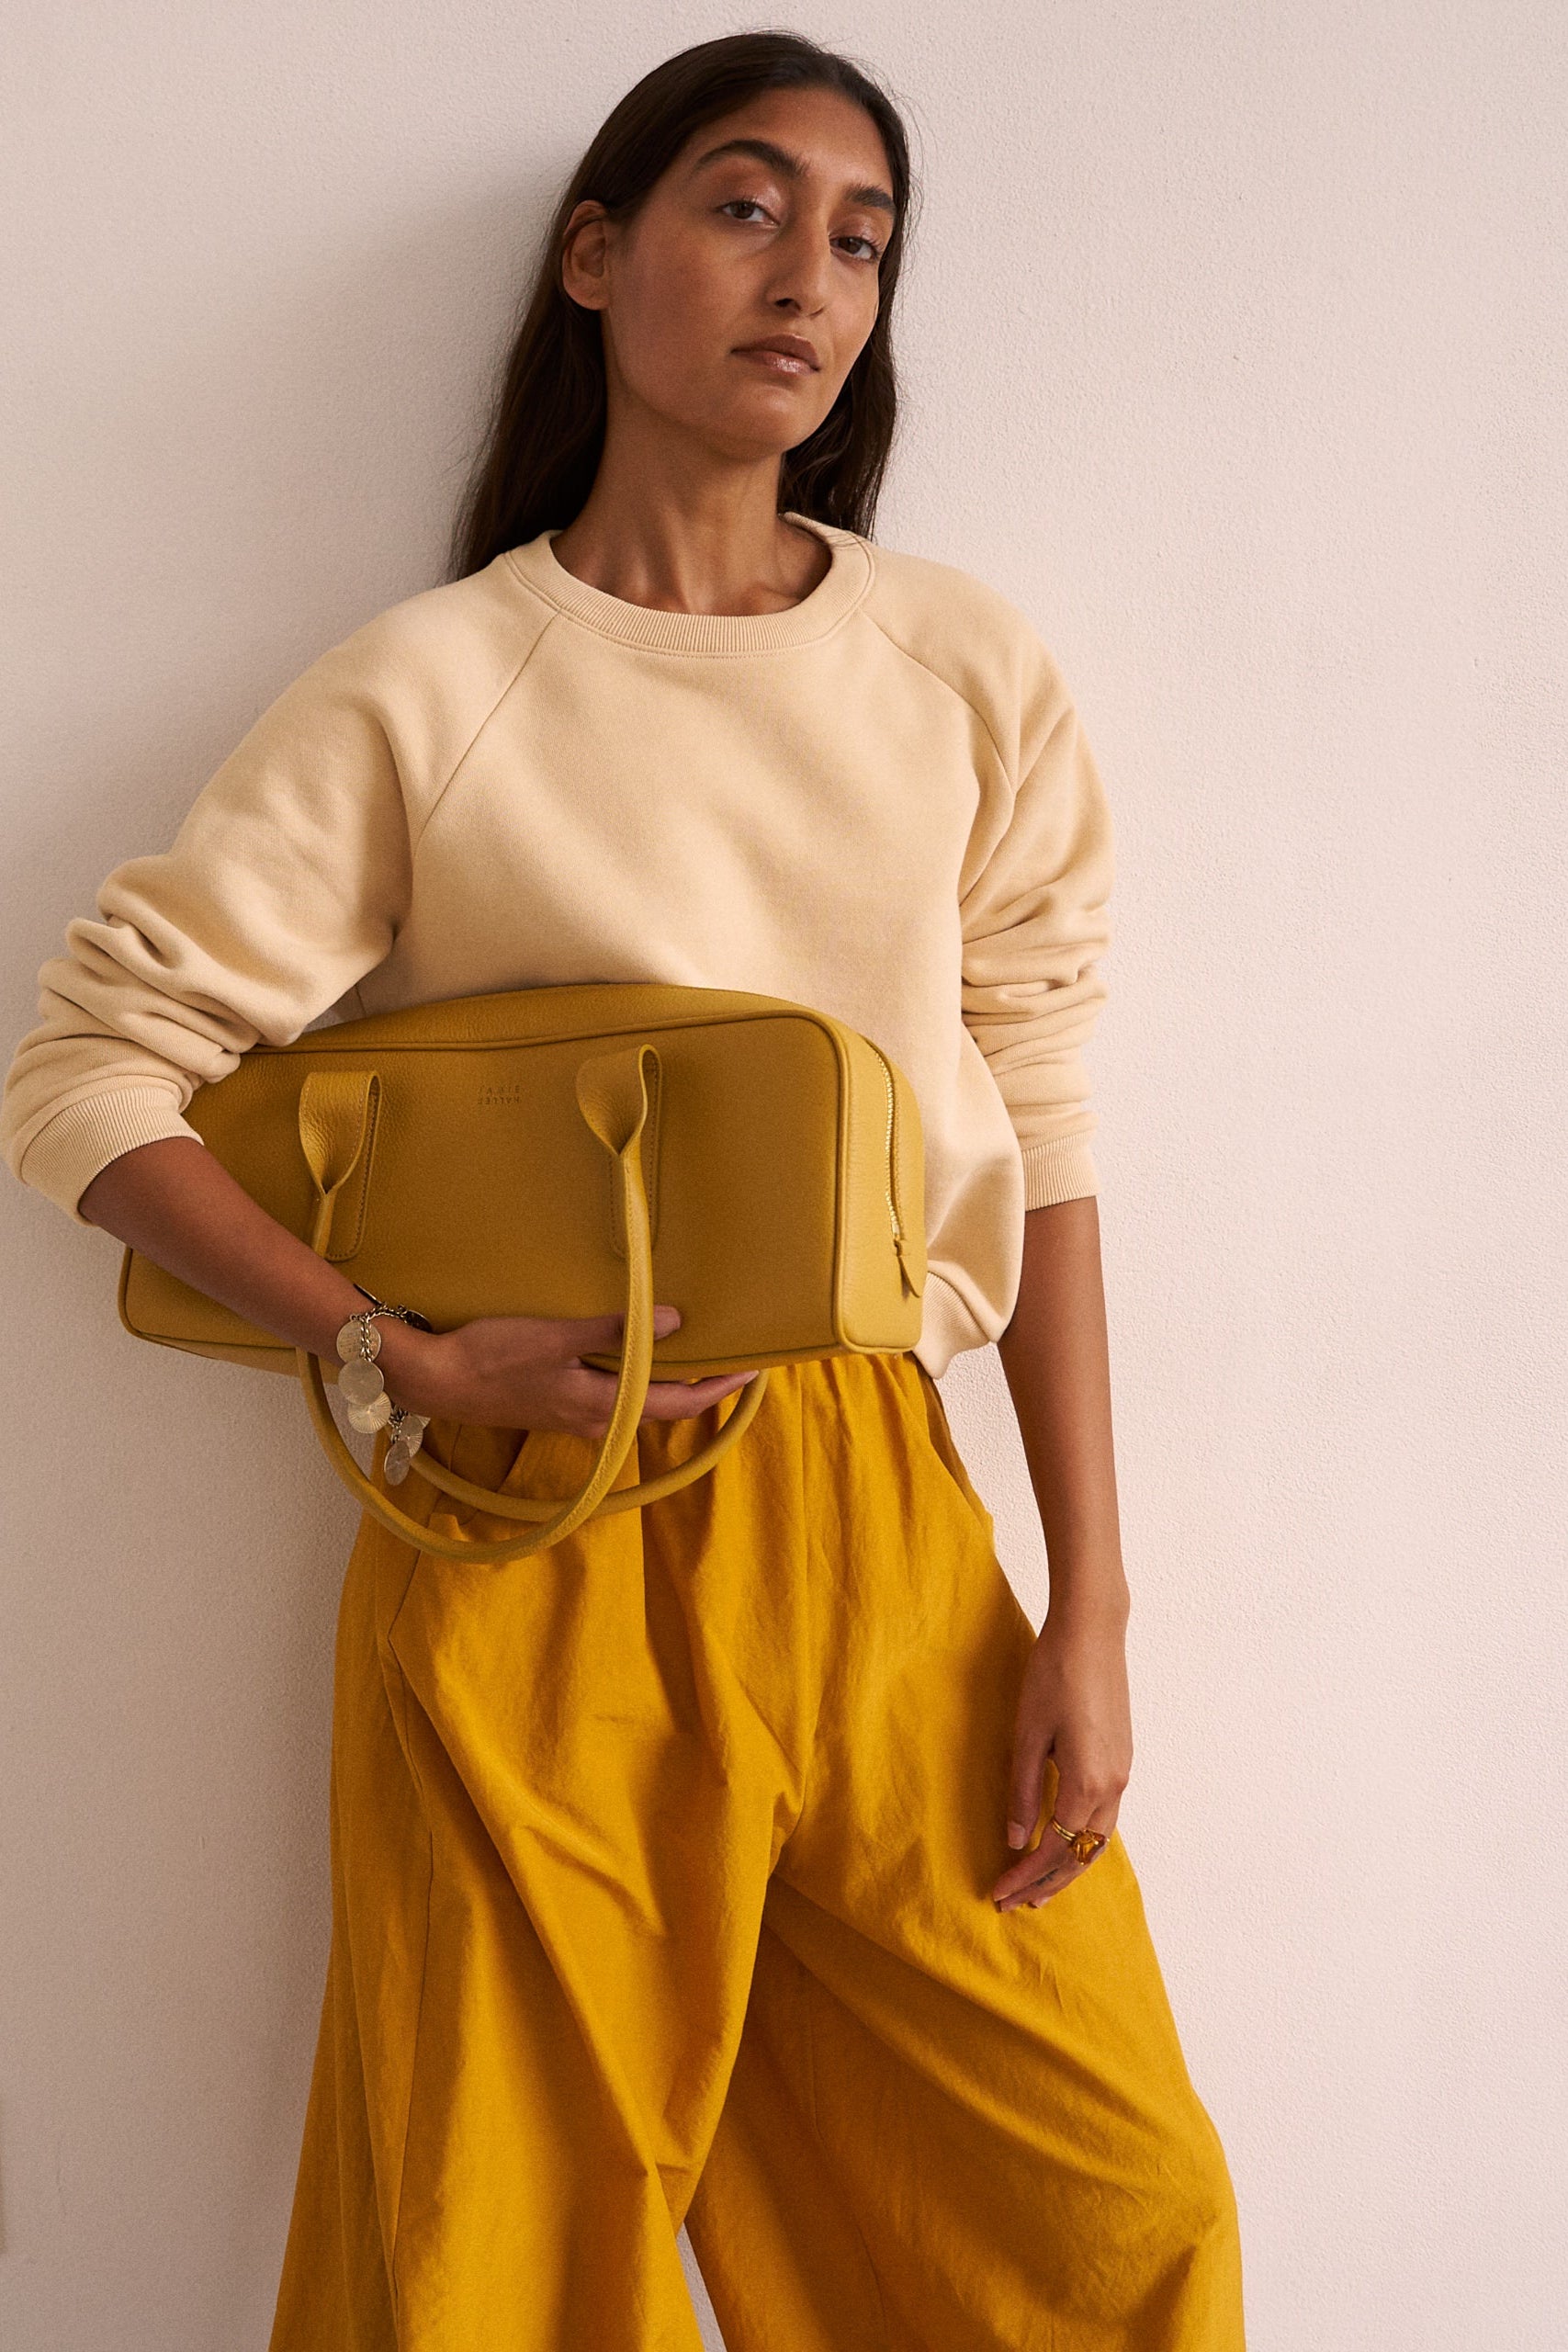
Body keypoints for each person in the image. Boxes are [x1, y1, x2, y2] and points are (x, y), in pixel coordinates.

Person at [0, 30, 1246, 2351]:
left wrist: (1085, 1604)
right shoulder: (436, 684)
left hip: (879, 1512)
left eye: (860, 238)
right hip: (531, 1516)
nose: (809, 278)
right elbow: (87, 1075)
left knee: (1105, 2219)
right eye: (743, 206)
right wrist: (388, 1349)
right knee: (501, 2259)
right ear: (595, 255)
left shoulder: (956, 667)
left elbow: (1042, 1117)